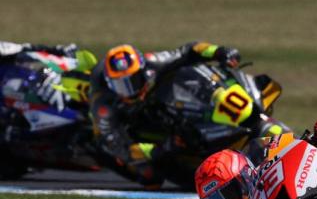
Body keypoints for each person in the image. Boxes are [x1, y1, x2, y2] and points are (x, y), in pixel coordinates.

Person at [89, 41, 242, 187]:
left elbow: (189, 50)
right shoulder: (104, 104)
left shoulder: (152, 61)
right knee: (151, 178)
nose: (129, 91)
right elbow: (118, 147)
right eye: (121, 85)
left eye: (133, 80)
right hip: (124, 126)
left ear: (143, 70)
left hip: (153, 105)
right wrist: (162, 148)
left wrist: (219, 51)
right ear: (110, 84)